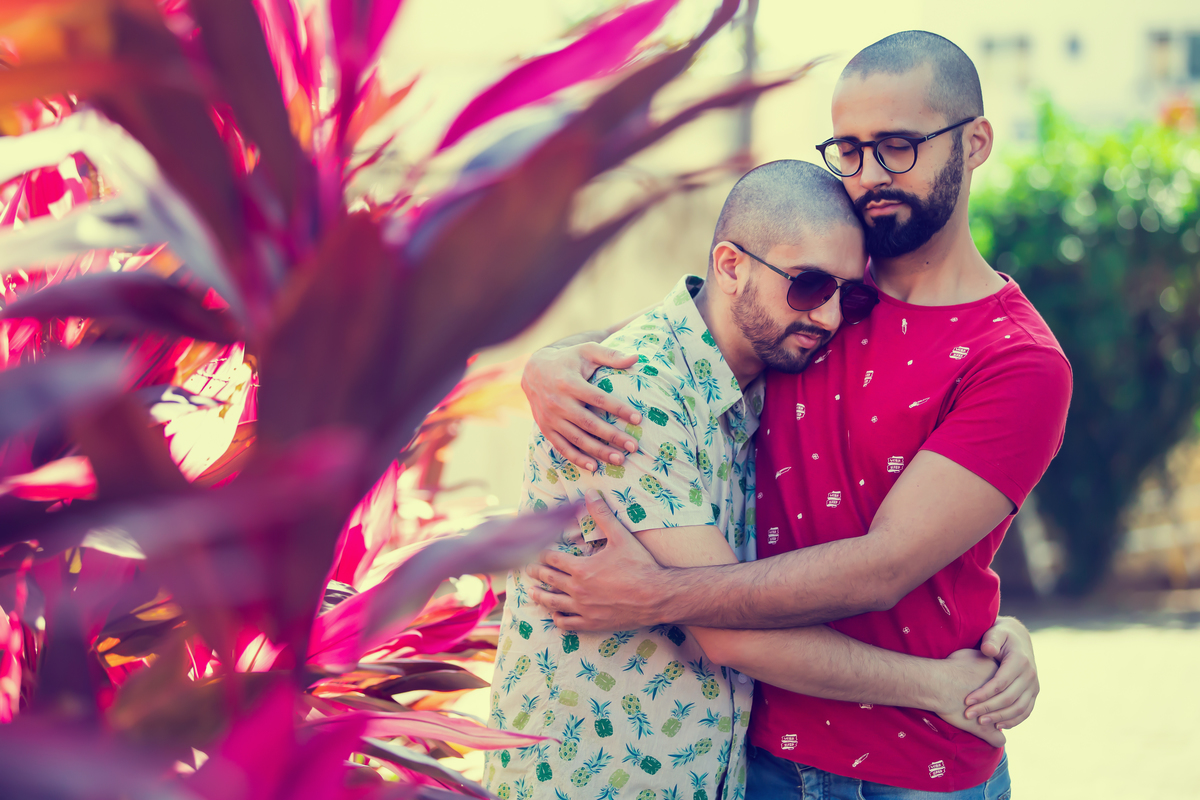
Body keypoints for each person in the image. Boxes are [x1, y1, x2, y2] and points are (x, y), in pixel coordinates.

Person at [521, 31, 1070, 798]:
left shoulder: (1014, 360)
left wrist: (655, 596)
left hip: (920, 766)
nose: (868, 175)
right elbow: (695, 332)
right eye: (848, 150)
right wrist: (550, 361)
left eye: (898, 148)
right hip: (756, 756)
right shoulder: (821, 286)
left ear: (975, 142)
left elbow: (884, 568)